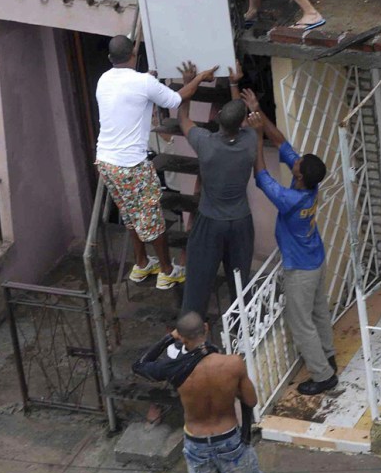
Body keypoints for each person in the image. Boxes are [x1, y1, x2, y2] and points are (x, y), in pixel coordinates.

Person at [132, 310, 290, 473]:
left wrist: (165, 339)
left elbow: (140, 365)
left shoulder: (174, 369)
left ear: (181, 338)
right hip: (228, 438)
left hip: (196, 442)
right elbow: (251, 401)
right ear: (206, 328)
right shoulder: (232, 364)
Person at [95, 35, 217, 290]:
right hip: (131, 165)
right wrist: (197, 78)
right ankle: (167, 270)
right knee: (152, 218)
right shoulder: (143, 82)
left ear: (110, 59)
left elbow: (134, 90)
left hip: (106, 162)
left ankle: (141, 264)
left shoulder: (104, 79)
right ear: (134, 56)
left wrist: (149, 80)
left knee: (130, 215)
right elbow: (177, 98)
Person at [243, 90, 337, 396]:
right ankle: (328, 355)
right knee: (320, 311)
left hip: (300, 269)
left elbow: (261, 174)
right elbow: (283, 144)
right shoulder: (308, 183)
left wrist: (257, 136)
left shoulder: (290, 199)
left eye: (295, 167)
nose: (293, 164)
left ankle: (323, 376)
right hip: (317, 259)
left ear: (299, 178)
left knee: (301, 323)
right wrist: (260, 112)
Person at [177, 61, 257, 318]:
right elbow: (241, 118)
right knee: (240, 285)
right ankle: (242, 336)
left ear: (218, 118)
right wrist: (234, 83)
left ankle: (191, 338)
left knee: (197, 284)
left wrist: (190, 82)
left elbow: (182, 118)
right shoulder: (250, 141)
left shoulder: (206, 143)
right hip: (241, 222)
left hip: (210, 222)